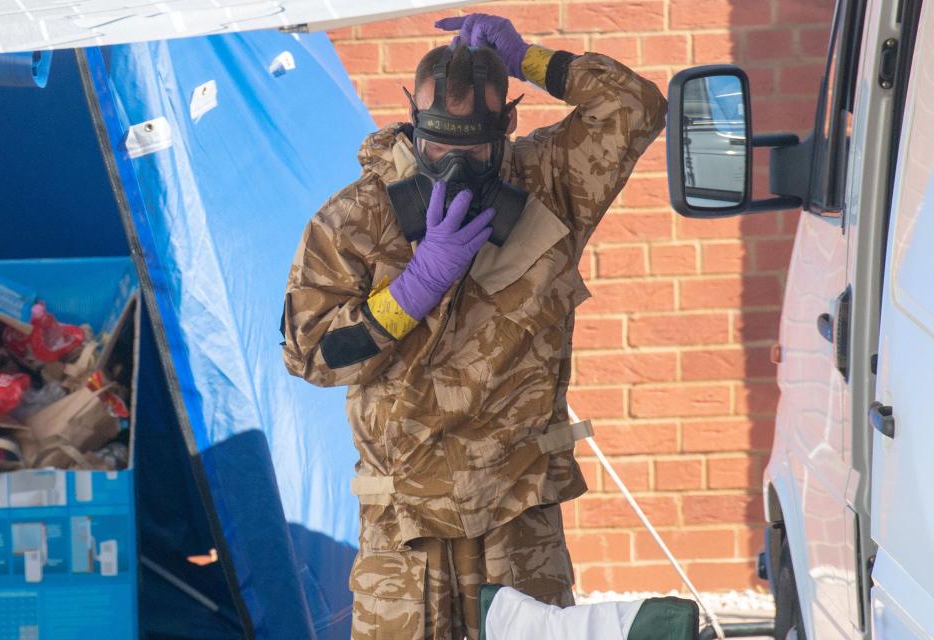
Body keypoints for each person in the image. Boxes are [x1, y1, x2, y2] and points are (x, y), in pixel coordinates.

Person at [281, 13, 669, 640]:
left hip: (518, 509)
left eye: (473, 150)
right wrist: (413, 289)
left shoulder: (548, 182)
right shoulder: (356, 218)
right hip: (405, 524)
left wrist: (528, 59)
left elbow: (635, 104)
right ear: (413, 117)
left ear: (507, 127)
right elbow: (310, 356)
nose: (454, 165)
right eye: (438, 145)